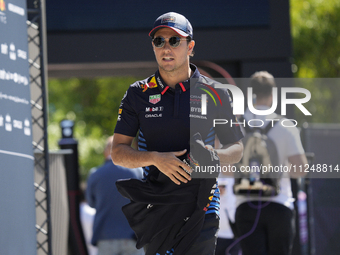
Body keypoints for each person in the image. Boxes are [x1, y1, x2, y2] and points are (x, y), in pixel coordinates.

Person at [111, 12, 244, 255]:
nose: (166, 48)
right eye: (159, 41)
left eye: (174, 41)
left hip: (202, 206)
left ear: (190, 46)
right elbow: (118, 152)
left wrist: (212, 155)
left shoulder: (216, 92)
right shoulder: (137, 93)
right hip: (157, 206)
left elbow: (236, 150)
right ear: (153, 47)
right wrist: (154, 158)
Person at [233, 71, 308, 255]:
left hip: (245, 206)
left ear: (251, 94)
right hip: (279, 205)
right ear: (273, 95)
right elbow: (300, 169)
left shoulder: (236, 125)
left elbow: (226, 168)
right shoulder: (285, 126)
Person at [86, 136, 144, 255]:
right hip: (133, 237)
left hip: (105, 237)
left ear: (105, 152)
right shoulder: (138, 172)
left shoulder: (95, 174)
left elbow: (91, 203)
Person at [215, 178, 240, 255]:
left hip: (232, 236)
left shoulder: (233, 184)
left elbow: (234, 214)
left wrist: (225, 197)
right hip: (216, 235)